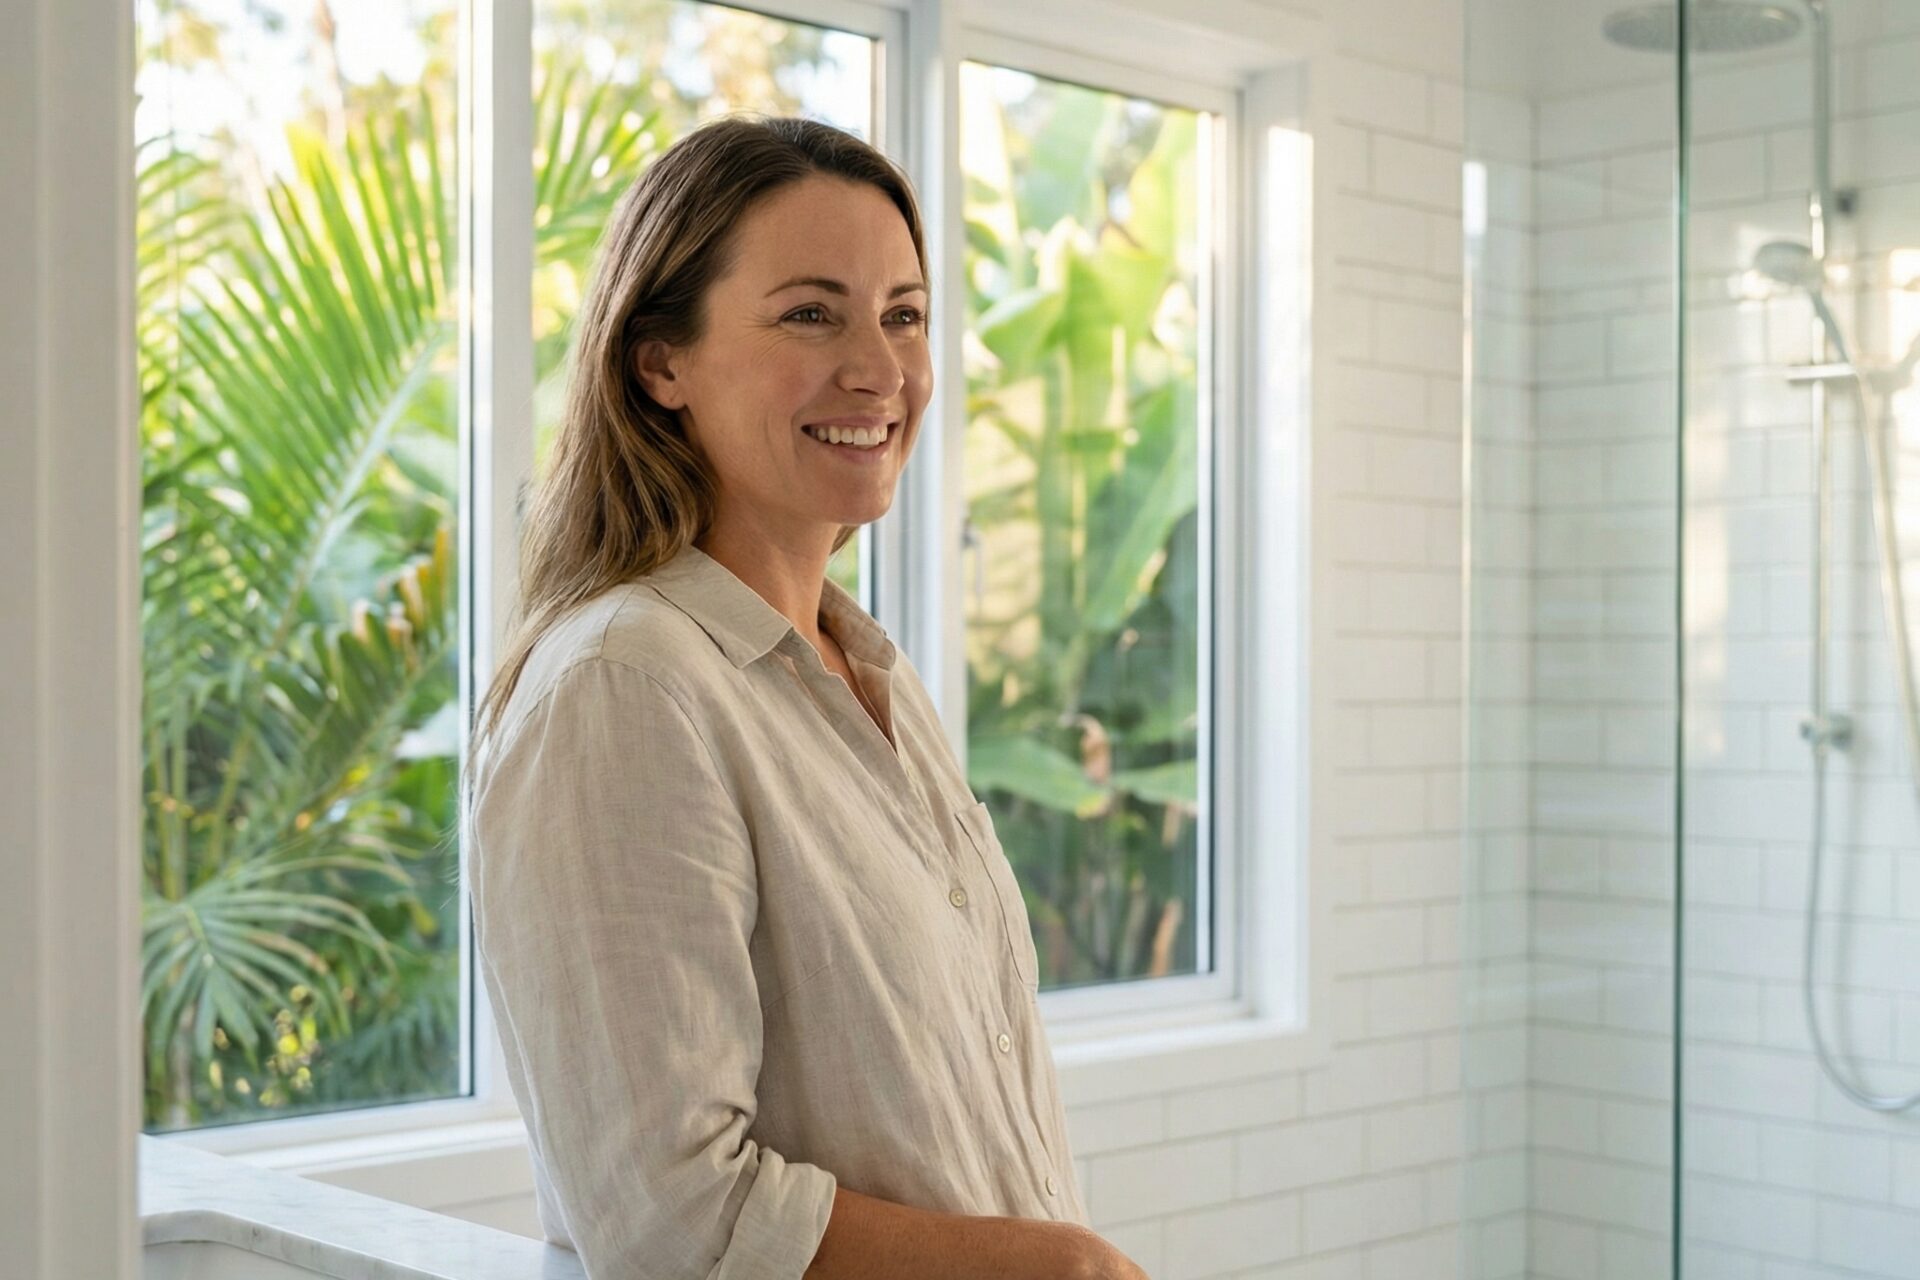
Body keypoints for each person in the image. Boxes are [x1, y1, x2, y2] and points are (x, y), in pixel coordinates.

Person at [462, 115, 1151, 1280]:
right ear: (658, 362)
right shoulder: (623, 687)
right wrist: (1059, 1265)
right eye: (809, 313)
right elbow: (672, 1215)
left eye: (904, 314)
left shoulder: (866, 669)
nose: (880, 369)